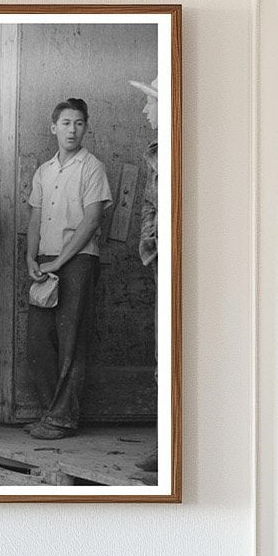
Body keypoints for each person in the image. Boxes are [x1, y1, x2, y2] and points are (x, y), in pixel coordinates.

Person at [24, 97, 112, 440]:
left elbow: (92, 219)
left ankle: (62, 418)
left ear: (85, 128)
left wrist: (60, 261)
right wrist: (31, 257)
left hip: (77, 261)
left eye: (78, 123)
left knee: (71, 339)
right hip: (45, 261)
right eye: (65, 123)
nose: (71, 129)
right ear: (53, 128)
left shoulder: (92, 167)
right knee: (38, 342)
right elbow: (34, 217)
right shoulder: (44, 170)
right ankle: (50, 411)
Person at [129, 75, 159, 478]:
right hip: (162, 261)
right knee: (161, 350)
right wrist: (150, 248)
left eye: (151, 102)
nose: (145, 109)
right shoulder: (155, 153)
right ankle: (163, 441)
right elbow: (150, 206)